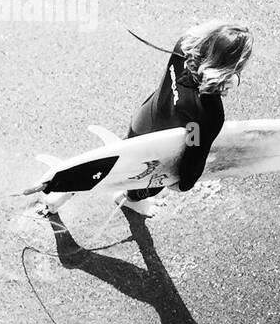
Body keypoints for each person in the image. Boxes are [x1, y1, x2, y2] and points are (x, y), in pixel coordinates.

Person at [37, 20, 253, 220]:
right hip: (157, 151)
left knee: (114, 160)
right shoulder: (208, 112)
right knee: (139, 182)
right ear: (232, 67)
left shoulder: (184, 48)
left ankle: (61, 193)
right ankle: (130, 200)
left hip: (143, 122)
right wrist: (185, 183)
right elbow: (194, 148)